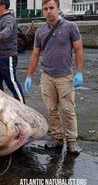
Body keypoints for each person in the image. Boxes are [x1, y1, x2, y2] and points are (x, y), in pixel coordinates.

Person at [24, 0, 83, 155]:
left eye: (51, 8)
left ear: (57, 8)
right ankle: (57, 138)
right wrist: (29, 75)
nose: (48, 11)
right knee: (51, 110)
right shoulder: (40, 31)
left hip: (65, 76)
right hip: (47, 76)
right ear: (43, 11)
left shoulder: (70, 27)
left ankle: (71, 141)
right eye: (45, 9)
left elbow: (78, 49)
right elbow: (35, 54)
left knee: (68, 110)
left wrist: (79, 72)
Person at [0, 0, 25, 103]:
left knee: (11, 82)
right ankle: (1, 104)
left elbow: (8, 29)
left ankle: (23, 105)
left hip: (7, 56)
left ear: (3, 6)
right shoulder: (1, 19)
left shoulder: (8, 18)